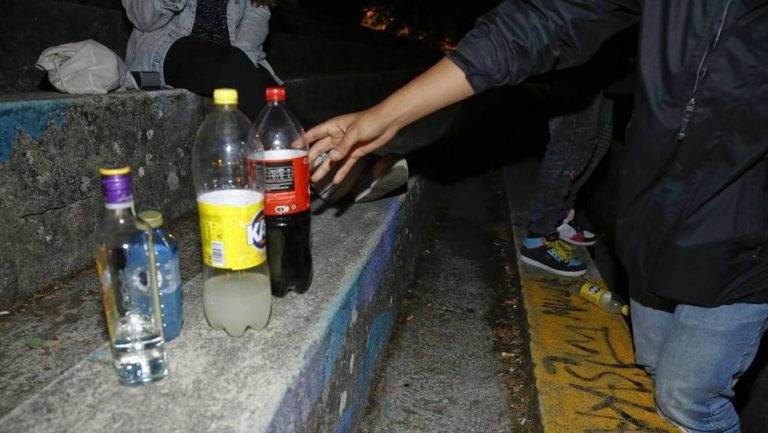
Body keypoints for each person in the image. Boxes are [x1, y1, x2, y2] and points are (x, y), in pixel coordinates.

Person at [303, 1, 768, 432]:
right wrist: (386, 116)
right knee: (651, 367)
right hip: (652, 218)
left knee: (688, 398)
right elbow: (539, 21)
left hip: (743, 241)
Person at [122, 0, 280, 120]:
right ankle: (287, 145)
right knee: (233, 66)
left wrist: (242, 57)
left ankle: (289, 144)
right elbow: (141, 18)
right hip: (164, 51)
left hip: (227, 57)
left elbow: (255, 17)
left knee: (272, 92)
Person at [520, 90, 612, 277]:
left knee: (598, 138)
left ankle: (561, 217)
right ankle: (538, 237)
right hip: (578, 76)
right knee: (571, 141)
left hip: (603, 75)